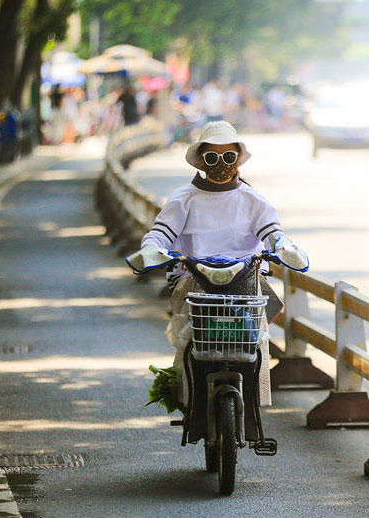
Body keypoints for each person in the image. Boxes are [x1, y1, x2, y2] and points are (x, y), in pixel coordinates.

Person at [126, 121, 308, 407]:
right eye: (212, 158)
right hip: (194, 281)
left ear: (238, 160)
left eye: (228, 157)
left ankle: (255, 399)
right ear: (200, 161)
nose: (220, 164)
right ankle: (190, 401)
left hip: (246, 283)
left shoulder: (253, 199)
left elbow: (273, 233)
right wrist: (151, 249)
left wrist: (283, 246)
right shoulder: (183, 198)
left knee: (258, 340)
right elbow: (161, 233)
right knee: (188, 344)